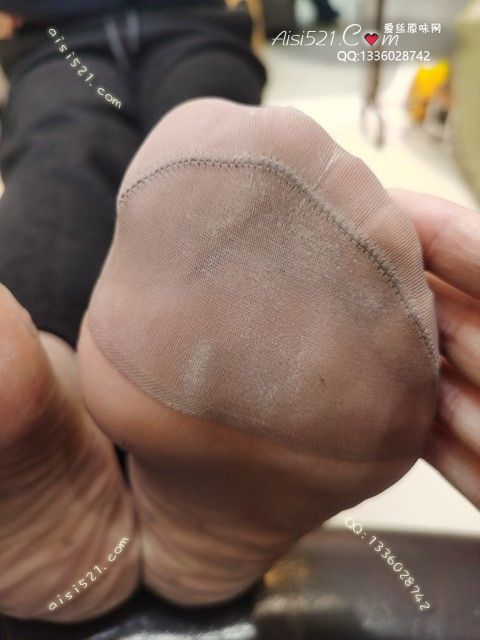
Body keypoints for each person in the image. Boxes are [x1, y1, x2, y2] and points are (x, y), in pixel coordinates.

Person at [0, 0, 479, 625]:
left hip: (72, 35)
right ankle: (194, 490)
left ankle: (52, 363)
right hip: (172, 23)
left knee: (66, 155)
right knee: (211, 167)